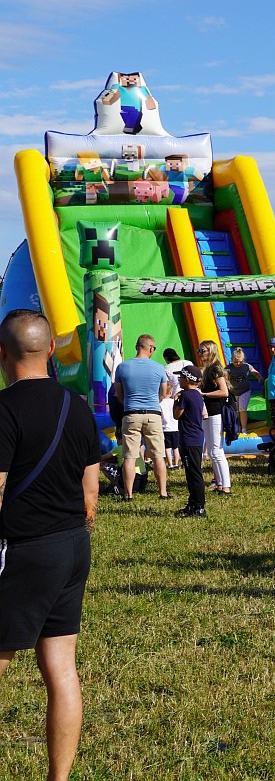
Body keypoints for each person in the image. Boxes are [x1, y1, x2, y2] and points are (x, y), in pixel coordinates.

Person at [0, 309, 101, 781]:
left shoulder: (4, 409)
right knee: (61, 669)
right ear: (49, 352)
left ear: (3, 355)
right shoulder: (76, 405)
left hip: (23, 549)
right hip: (72, 546)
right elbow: (91, 490)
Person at [111, 333, 170, 500]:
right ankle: (163, 492)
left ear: (137, 346)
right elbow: (163, 393)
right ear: (150, 348)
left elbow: (119, 393)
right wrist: (154, 401)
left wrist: (128, 402)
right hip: (153, 414)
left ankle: (128, 494)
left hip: (131, 414)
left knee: (129, 456)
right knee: (158, 455)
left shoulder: (122, 367)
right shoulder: (159, 368)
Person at [195, 340, 232, 496]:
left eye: (202, 351)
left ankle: (226, 486)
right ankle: (219, 484)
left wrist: (204, 394)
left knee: (217, 451)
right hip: (208, 413)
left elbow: (224, 392)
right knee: (211, 451)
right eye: (199, 351)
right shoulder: (207, 369)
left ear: (210, 351)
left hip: (216, 412)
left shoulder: (215, 368)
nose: (200, 354)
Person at [172, 365, 207, 518]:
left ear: (187, 379)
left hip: (189, 439)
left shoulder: (185, 396)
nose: (178, 380)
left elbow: (176, 415)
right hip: (196, 438)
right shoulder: (197, 395)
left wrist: (176, 400)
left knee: (193, 474)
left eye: (180, 377)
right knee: (193, 472)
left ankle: (198, 506)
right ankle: (193, 503)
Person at [225, 347, 261, 436]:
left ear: (243, 360)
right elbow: (223, 375)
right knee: (235, 411)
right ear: (231, 360)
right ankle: (236, 427)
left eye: (240, 361)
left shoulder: (246, 366)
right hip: (233, 392)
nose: (237, 363)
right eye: (235, 362)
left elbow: (254, 371)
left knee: (242, 409)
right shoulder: (228, 368)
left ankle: (244, 428)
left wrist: (259, 376)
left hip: (244, 391)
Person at [161, 347, 186, 469]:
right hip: (188, 396)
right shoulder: (187, 363)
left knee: (168, 447)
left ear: (166, 358)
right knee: (177, 446)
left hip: (166, 428)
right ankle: (178, 461)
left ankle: (170, 464)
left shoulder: (167, 369)